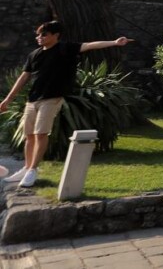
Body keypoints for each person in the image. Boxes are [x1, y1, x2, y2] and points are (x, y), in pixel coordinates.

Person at [0, 22, 133, 187]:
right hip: (32, 100)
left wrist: (114, 42)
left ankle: (33, 170)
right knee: (29, 136)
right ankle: (26, 167)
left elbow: (90, 45)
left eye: (44, 34)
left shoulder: (66, 49)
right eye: (38, 35)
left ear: (56, 35)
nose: (39, 37)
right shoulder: (34, 54)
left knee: (41, 134)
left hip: (52, 99)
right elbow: (24, 77)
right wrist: (8, 99)